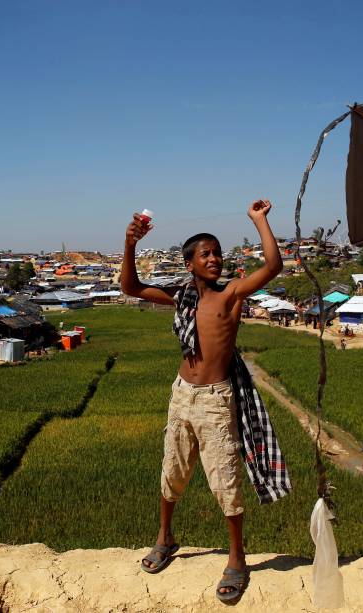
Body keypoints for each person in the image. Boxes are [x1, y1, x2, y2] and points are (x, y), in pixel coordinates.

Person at [123, 200, 290, 603]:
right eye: (206, 254)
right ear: (190, 264)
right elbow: (129, 287)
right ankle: (165, 537)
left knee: (225, 479)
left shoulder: (229, 295)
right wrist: (129, 244)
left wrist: (259, 220)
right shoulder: (180, 298)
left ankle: (237, 558)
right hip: (182, 396)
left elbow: (272, 267)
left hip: (217, 399)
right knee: (172, 470)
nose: (215, 259)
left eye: (217, 253)